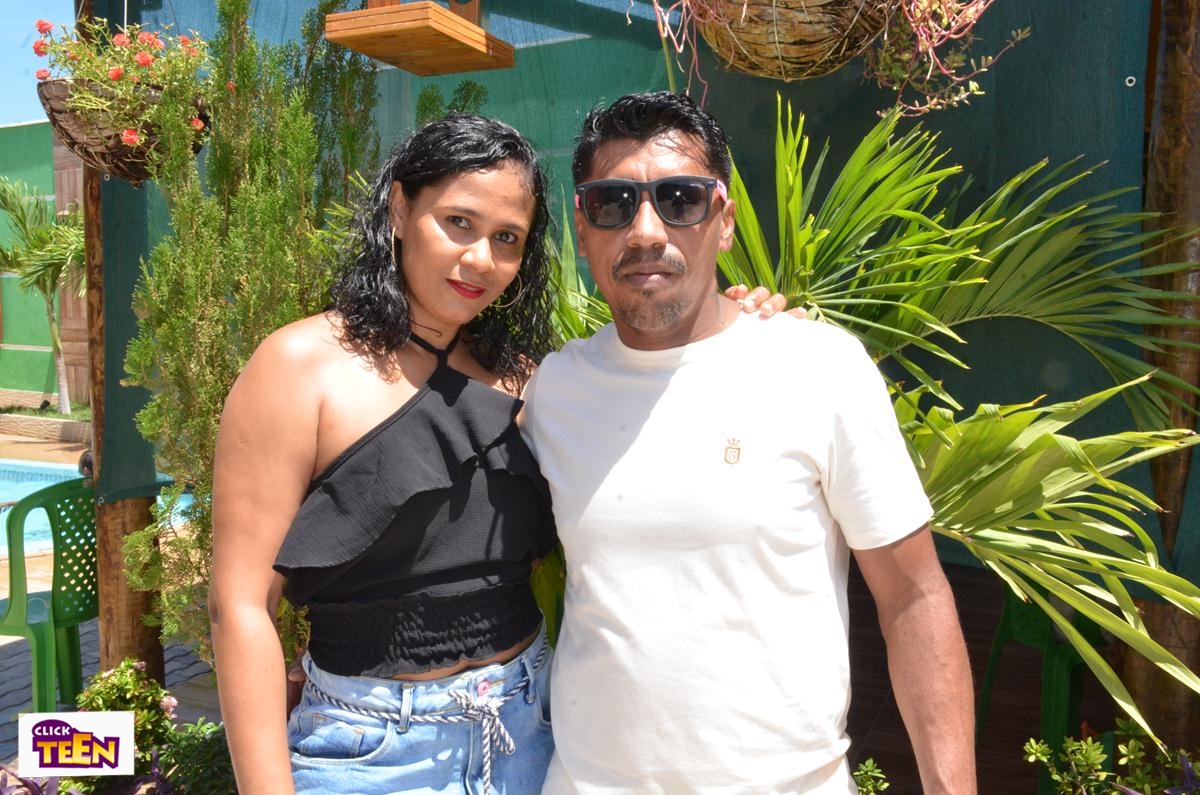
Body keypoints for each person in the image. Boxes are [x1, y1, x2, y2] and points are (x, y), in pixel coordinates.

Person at [209, 112, 788, 795]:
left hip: (534, 734)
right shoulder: (300, 368)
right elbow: (240, 607)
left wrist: (739, 326)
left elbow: (657, 449)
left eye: (507, 238)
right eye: (458, 222)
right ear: (400, 209)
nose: (482, 260)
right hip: (371, 754)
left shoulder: (530, 381)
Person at [520, 92, 977, 794]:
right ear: (583, 230)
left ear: (725, 220)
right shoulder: (553, 390)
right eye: (613, 204)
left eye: (681, 199)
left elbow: (913, 597)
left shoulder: (819, 368)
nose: (646, 231)